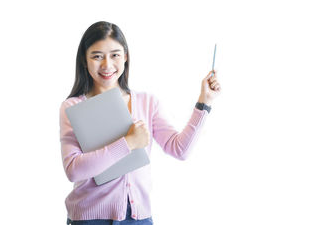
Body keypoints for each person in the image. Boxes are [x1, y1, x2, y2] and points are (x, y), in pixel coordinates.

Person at [59, 21, 221, 225]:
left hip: (140, 219)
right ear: (84, 60)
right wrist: (129, 143)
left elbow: (180, 150)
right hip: (90, 219)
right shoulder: (72, 106)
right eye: (97, 56)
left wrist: (204, 102)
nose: (107, 65)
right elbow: (74, 170)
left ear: (125, 56)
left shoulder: (147, 102)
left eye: (115, 55)